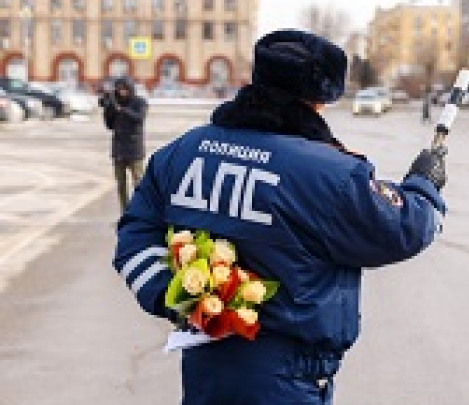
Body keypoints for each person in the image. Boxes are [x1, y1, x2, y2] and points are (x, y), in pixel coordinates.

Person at [112, 29, 447, 404]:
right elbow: (402, 228)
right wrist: (425, 185)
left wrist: (178, 299)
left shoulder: (183, 153)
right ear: (319, 99)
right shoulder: (329, 174)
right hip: (289, 379)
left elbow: (135, 234)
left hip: (204, 366)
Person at [101, 76, 148, 212]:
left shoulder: (139, 102)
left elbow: (139, 118)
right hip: (118, 150)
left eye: (124, 89)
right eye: (119, 89)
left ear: (130, 89)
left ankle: (142, 211)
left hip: (134, 150)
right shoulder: (116, 103)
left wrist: (123, 110)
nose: (122, 92)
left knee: (138, 183)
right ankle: (125, 211)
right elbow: (109, 125)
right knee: (121, 184)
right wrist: (108, 109)